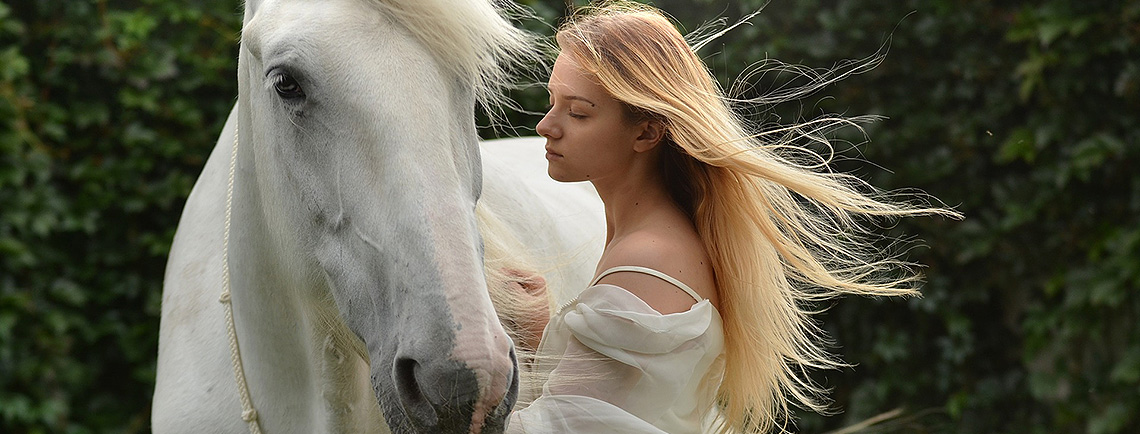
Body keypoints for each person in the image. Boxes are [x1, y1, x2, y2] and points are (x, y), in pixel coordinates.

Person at [506, 2, 958, 433]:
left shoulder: (646, 261)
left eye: (578, 112)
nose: (547, 125)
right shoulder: (660, 240)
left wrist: (523, 345)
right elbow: (623, 406)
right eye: (552, 100)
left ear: (645, 132)